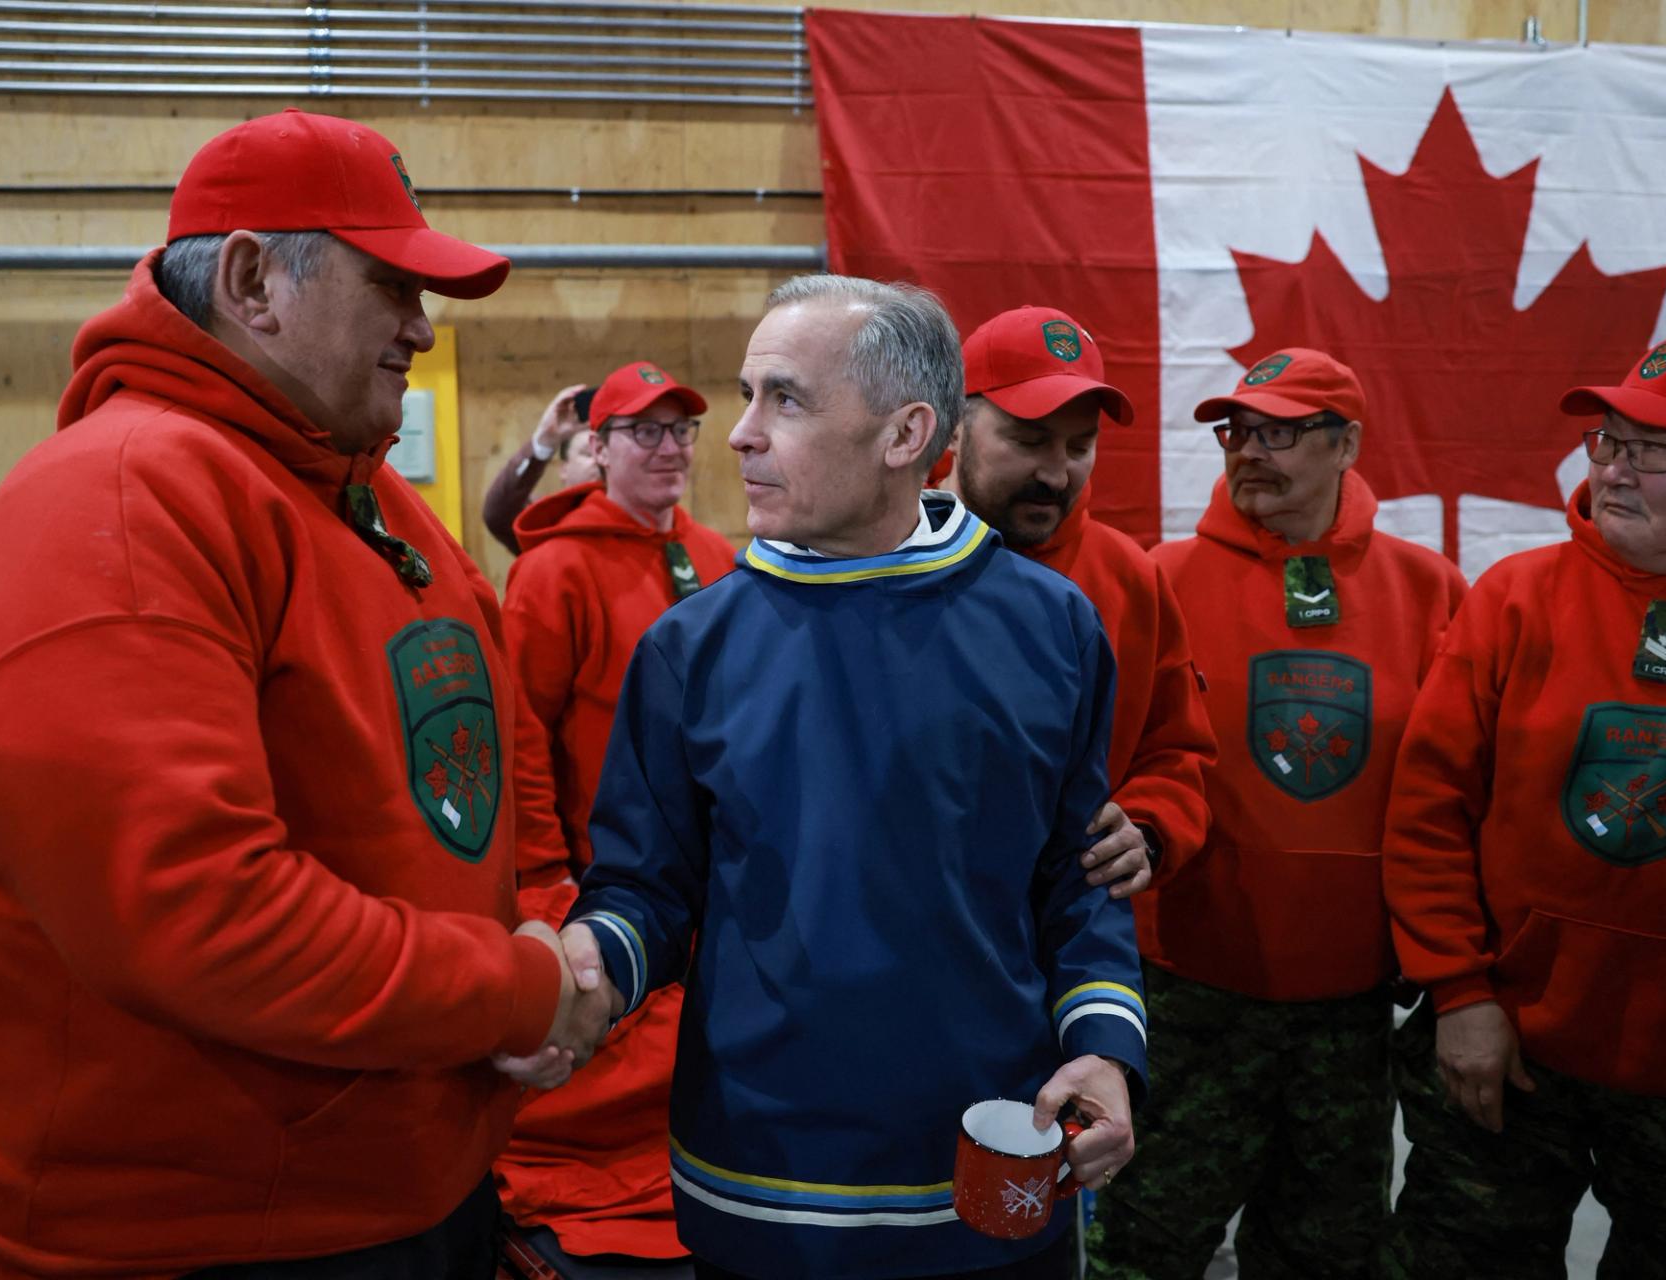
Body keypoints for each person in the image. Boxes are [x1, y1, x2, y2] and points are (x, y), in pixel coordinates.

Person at [0, 108, 609, 1280]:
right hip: (202, 1240)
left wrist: (537, 916)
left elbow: (483, 747)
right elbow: (196, 907)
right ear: (252, 280)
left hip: (397, 1190)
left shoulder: (358, 491)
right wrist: (513, 990)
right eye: (391, 287)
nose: (422, 329)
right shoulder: (123, 500)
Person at [557, 275, 1148, 1280]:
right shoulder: (689, 647)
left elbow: (1072, 879)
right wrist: (586, 968)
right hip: (759, 1183)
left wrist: (1104, 1043)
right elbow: (644, 889)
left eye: (783, 398)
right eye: (747, 395)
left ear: (906, 432)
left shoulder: (1054, 628)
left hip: (991, 1176)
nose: (741, 433)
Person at [1380, 325, 1666, 1278]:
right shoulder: (1515, 597)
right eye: (1608, 439)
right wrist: (1461, 991)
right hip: (1512, 1050)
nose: (1615, 468)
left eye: (1659, 449)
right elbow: (1430, 809)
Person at [1092, 349, 1465, 1278]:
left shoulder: (1430, 591)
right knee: (1142, 1246)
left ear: (1349, 445)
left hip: (1349, 1013)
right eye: (1238, 431)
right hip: (1186, 995)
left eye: (1282, 432)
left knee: (1327, 1255)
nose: (1250, 451)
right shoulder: (1159, 578)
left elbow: (1453, 794)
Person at [494, 359, 735, 1259]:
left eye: (681, 431)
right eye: (645, 431)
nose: (669, 449)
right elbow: (518, 734)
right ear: (596, 449)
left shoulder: (715, 557)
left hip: (704, 883)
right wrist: (545, 878)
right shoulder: (554, 571)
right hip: (603, 883)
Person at [952, 306, 1213, 903]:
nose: (1055, 472)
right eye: (1028, 439)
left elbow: (1176, 755)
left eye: (1080, 445)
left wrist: (1148, 826)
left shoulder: (1130, 578)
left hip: (1070, 936)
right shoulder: (882, 556)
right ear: (952, 426)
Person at [483, 381, 601, 554]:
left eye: (605, 453)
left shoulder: (638, 514)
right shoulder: (547, 520)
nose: (600, 462)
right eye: (588, 454)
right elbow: (499, 514)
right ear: (563, 469)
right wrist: (545, 441)